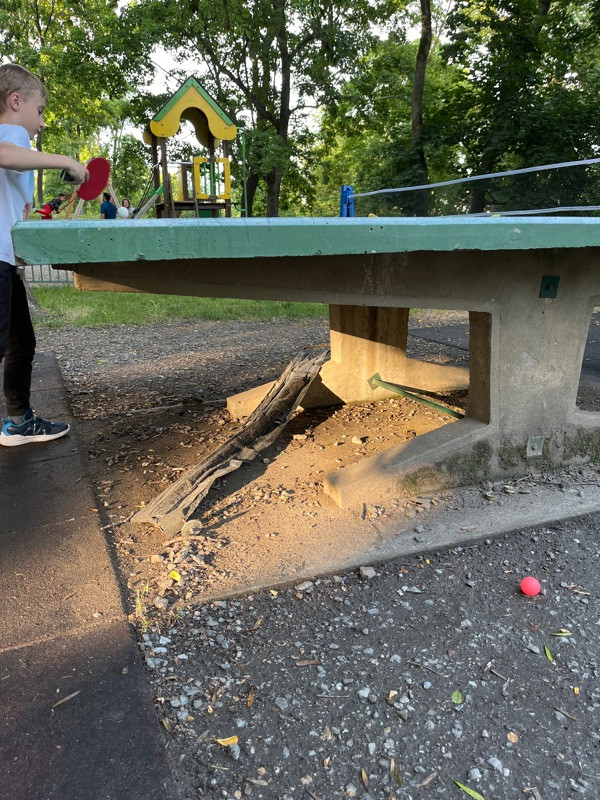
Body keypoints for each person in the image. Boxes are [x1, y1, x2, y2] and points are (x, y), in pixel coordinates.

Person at [0, 63, 87, 445]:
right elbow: (4, 154)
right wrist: (65, 160)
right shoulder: (11, 135)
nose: (41, 122)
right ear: (15, 101)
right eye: (39, 111)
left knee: (22, 343)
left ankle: (19, 422)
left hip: (7, 263)